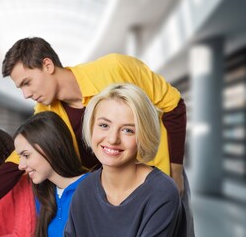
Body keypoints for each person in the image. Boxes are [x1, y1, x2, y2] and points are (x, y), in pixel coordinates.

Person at [0, 37, 193, 237]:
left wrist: (176, 172)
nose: (25, 94)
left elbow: (173, 106)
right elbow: (15, 164)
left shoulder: (116, 68)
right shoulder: (47, 112)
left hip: (157, 180)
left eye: (27, 82)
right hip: (107, 194)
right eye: (20, 88)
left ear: (47, 65)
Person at [64, 83, 184, 236]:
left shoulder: (161, 192)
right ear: (91, 126)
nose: (113, 139)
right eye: (104, 125)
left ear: (144, 136)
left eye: (128, 130)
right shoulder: (84, 190)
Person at [13, 111, 89, 237]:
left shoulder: (93, 188)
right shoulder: (44, 196)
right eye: (20, 157)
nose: (21, 165)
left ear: (53, 145)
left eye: (26, 155)